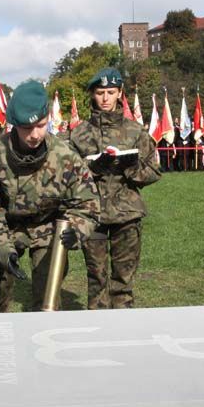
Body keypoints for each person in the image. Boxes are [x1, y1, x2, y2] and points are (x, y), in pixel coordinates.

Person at [0, 80, 100, 313]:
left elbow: (87, 202)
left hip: (49, 229)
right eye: (26, 129)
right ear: (14, 125)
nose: (35, 135)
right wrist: (2, 249)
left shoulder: (65, 156)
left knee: (48, 301)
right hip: (5, 228)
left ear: (48, 118)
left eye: (41, 125)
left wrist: (77, 230)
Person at [69, 67, 161, 309]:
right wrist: (94, 169)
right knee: (96, 279)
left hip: (127, 215)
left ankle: (124, 328)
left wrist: (130, 168)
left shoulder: (135, 131)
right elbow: (66, 177)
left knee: (123, 282)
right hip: (93, 215)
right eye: (100, 92)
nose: (106, 98)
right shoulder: (79, 134)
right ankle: (98, 330)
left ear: (120, 93)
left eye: (111, 92)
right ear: (92, 94)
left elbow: (154, 170)